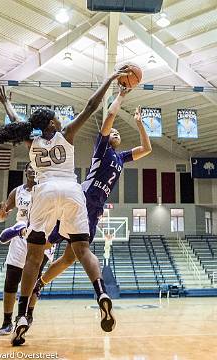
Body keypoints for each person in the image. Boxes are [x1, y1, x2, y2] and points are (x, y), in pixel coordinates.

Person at [0, 69, 128, 346]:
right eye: (55, 116)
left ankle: (23, 317)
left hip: (45, 191)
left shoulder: (33, 141)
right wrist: (111, 79)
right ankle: (100, 292)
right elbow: (91, 106)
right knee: (82, 250)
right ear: (53, 123)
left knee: (33, 257)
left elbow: (18, 122)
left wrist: (7, 105)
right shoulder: (66, 134)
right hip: (72, 191)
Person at [26, 88, 152, 315]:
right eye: (111, 132)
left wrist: (139, 123)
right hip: (80, 200)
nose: (114, 132)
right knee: (46, 243)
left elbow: (147, 149)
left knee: (70, 257)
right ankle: (30, 274)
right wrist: (121, 96)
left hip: (95, 208)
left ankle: (39, 285)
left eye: (117, 133)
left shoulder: (121, 158)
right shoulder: (102, 148)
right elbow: (109, 117)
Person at [0, 162, 56, 336]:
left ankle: (28, 314)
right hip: (20, 237)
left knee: (35, 281)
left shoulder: (47, 191)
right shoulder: (17, 191)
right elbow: (3, 214)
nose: (32, 170)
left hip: (41, 237)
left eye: (36, 168)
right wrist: (1, 217)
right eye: (29, 167)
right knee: (11, 279)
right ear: (25, 171)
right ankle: (7, 321)